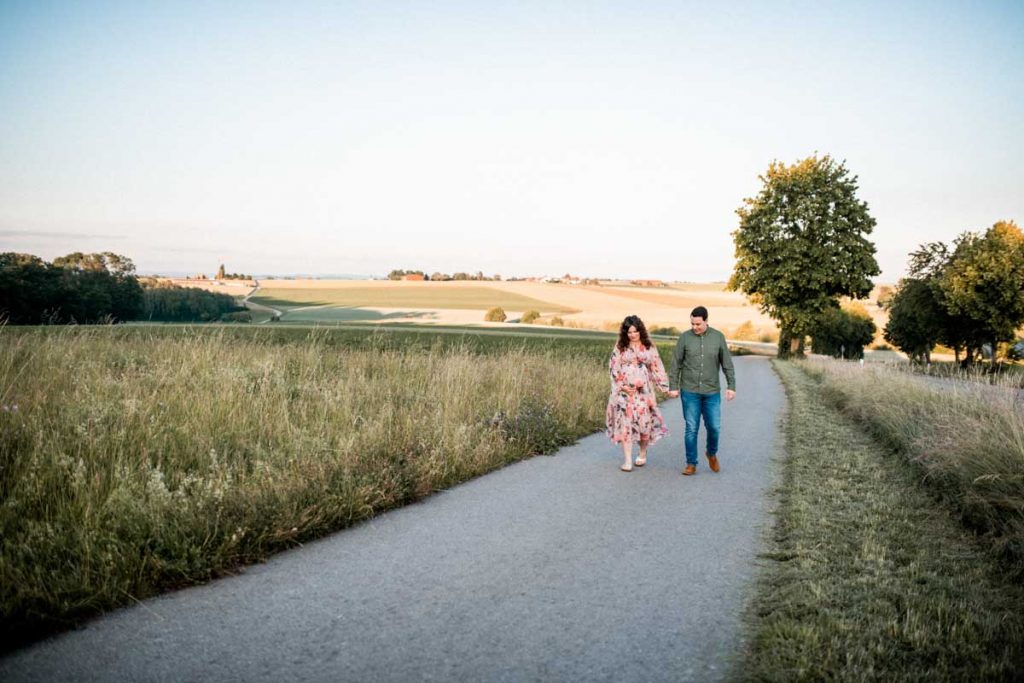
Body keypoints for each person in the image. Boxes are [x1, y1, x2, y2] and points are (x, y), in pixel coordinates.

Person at [669, 306, 736, 476]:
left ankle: (711, 453)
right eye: (692, 324)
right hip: (689, 391)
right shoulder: (684, 338)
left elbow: (727, 364)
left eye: (698, 324)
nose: (695, 327)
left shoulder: (718, 337)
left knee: (714, 427)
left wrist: (731, 386)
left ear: (706, 321)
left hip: (711, 391)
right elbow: (676, 363)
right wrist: (673, 387)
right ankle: (691, 463)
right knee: (691, 428)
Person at [605, 315, 674, 471]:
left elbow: (657, 367)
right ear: (625, 333)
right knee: (626, 425)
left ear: (640, 331)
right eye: (629, 332)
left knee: (644, 424)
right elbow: (613, 368)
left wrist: (666, 388)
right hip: (624, 394)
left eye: (635, 331)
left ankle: (642, 452)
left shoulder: (649, 346)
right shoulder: (620, 346)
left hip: (643, 393)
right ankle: (628, 460)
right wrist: (622, 386)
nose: (632, 335)